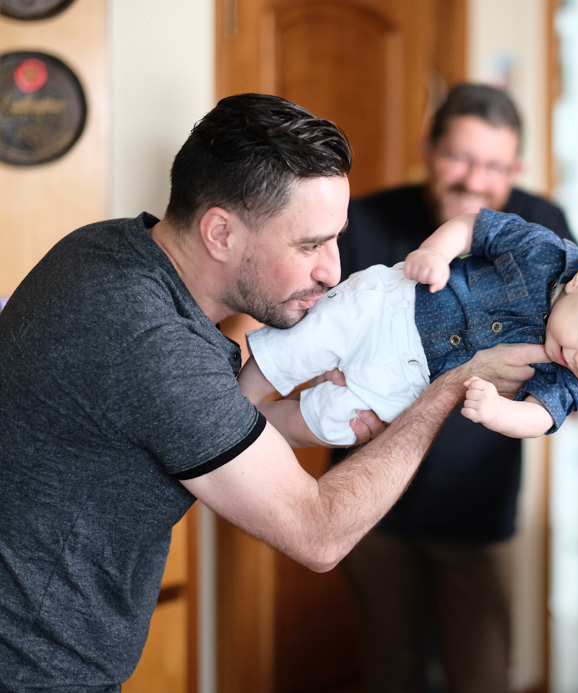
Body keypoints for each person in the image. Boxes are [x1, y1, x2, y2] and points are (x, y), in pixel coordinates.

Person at [0, 92, 542, 690]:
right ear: (220, 232)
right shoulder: (155, 342)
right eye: (310, 245)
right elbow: (320, 534)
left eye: (336, 240)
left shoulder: (104, 248)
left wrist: (290, 421)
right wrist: (447, 387)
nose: (333, 271)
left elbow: (171, 425)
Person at [336, 82, 578, 693]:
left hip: (479, 510)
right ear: (428, 148)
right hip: (371, 499)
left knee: (482, 675)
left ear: (517, 168)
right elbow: (292, 309)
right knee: (390, 671)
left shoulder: (540, 229)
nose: (475, 179)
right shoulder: (365, 220)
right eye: (460, 158)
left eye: (495, 165)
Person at [239, 209, 578, 445]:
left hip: (410, 383)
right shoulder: (542, 251)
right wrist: (437, 253)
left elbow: (543, 416)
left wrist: (501, 415)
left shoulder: (571, 373)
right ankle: (233, 402)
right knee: (302, 345)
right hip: (391, 309)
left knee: (330, 425)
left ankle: (247, 434)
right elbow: (474, 225)